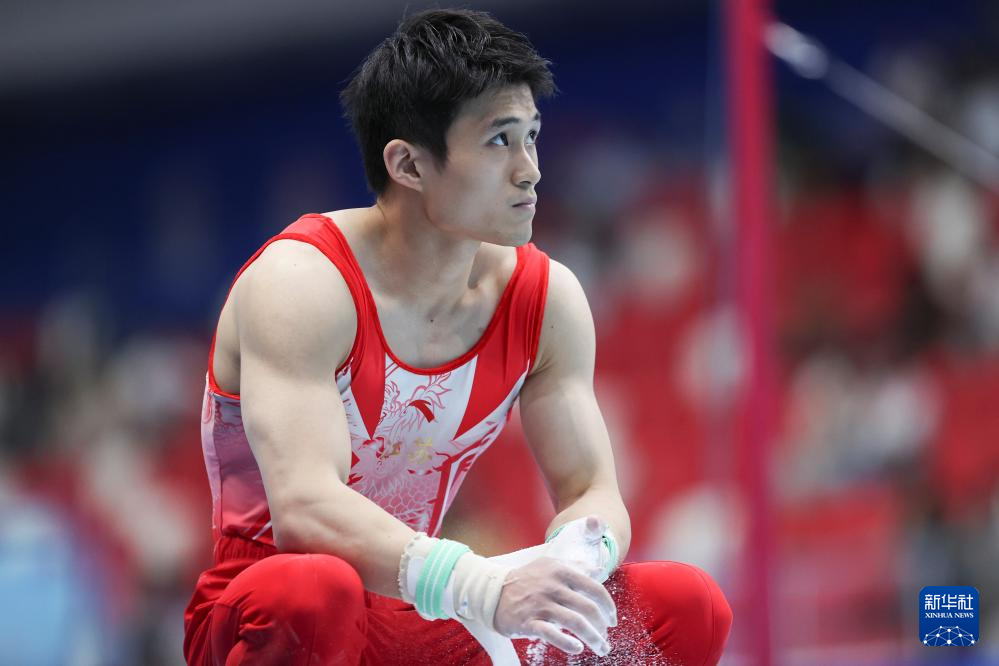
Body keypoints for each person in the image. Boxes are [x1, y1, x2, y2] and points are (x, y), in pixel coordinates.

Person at [183, 8, 732, 665]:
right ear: (409, 164)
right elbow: (305, 511)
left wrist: (574, 560)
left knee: (683, 603)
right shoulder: (302, 285)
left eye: (531, 137)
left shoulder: (545, 300)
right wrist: (483, 588)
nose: (529, 169)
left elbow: (593, 491)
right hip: (271, 609)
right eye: (499, 141)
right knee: (312, 591)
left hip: (424, 607)